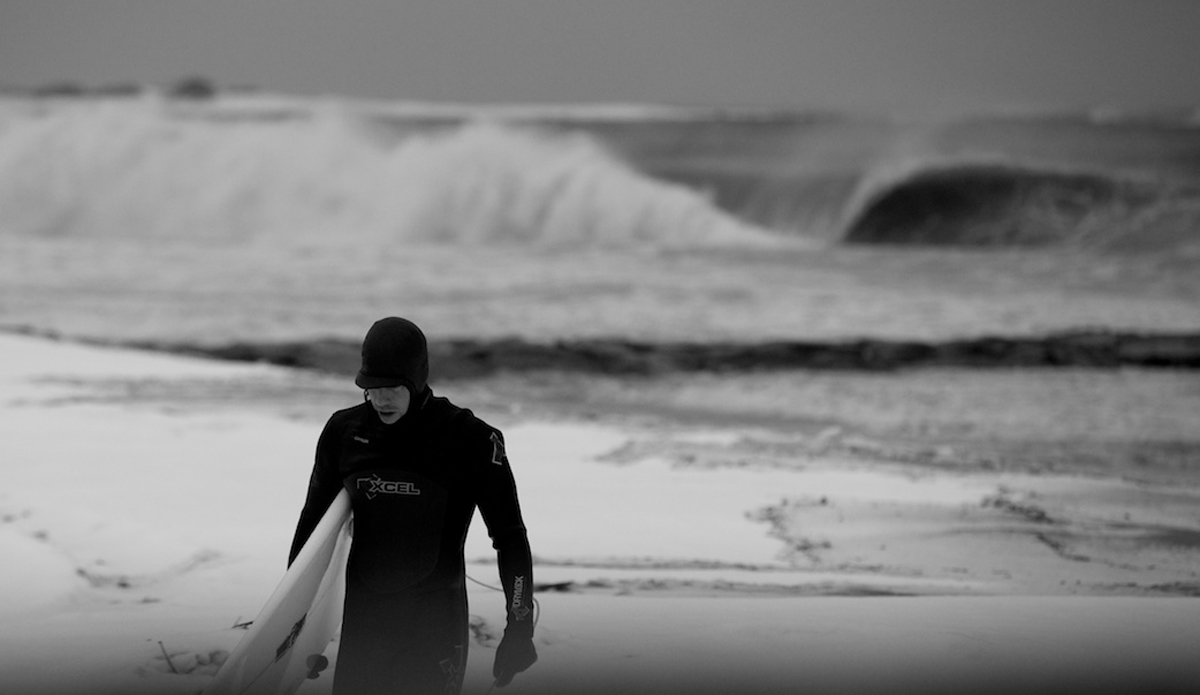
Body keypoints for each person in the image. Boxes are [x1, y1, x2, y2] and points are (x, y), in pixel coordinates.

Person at [289, 317, 537, 695]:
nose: (382, 399)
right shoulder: (345, 433)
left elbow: (510, 537)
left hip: (435, 628)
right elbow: (313, 528)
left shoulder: (469, 439)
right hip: (365, 627)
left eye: (393, 387)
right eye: (372, 388)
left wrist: (518, 628)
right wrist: (296, 629)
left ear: (416, 380)